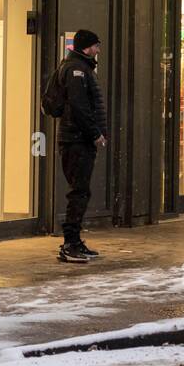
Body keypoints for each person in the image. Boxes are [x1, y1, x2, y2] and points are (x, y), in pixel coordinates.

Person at [56, 30, 108, 262]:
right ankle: (70, 244)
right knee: (79, 191)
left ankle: (74, 241)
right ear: (87, 47)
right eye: (96, 46)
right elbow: (80, 107)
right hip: (76, 140)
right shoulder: (76, 70)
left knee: (81, 191)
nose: (98, 50)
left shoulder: (79, 67)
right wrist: (95, 133)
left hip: (78, 139)